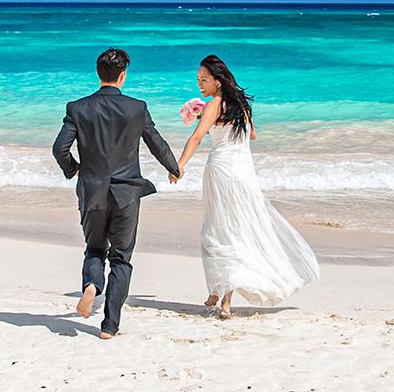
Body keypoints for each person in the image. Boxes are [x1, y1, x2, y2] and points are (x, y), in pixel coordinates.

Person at [174, 54, 320, 317]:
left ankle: (222, 296)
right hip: (244, 173)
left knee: (218, 231)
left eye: (204, 80)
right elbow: (251, 134)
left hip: (221, 170)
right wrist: (213, 122)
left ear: (218, 81)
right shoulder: (241, 105)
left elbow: (196, 138)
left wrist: (180, 165)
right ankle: (219, 294)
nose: (199, 85)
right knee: (237, 229)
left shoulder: (213, 105)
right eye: (198, 80)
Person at [51, 47, 182, 340]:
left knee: (95, 249)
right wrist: (173, 167)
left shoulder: (77, 107)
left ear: (99, 74)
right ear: (123, 76)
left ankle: (91, 286)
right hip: (126, 195)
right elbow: (156, 142)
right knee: (121, 258)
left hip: (92, 193)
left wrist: (75, 170)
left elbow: (59, 149)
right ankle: (109, 325)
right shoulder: (137, 108)